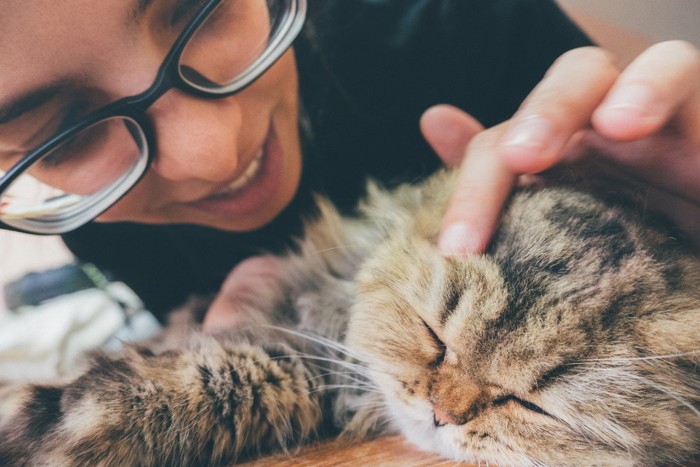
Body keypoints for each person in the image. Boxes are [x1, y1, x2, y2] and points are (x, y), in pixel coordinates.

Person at [1, 0, 698, 328]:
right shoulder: (97, 218)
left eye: (198, 12)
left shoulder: (465, 24)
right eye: (63, 136)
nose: (215, 155)